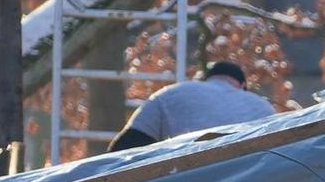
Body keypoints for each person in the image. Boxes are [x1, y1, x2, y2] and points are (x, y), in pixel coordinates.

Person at [107, 60, 277, 151]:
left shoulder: (170, 93)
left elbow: (125, 147)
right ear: (241, 86)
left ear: (206, 79)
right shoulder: (263, 107)